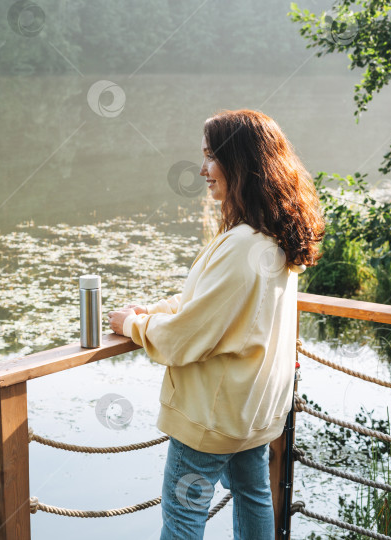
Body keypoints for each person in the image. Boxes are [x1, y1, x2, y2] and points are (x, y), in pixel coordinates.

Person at [107, 109, 324, 540]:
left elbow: (188, 334)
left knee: (184, 516)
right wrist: (152, 310)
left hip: (212, 415)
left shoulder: (243, 245)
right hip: (253, 409)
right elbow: (209, 305)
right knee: (253, 493)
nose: (203, 170)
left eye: (211, 157)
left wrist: (133, 325)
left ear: (240, 163)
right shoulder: (272, 236)